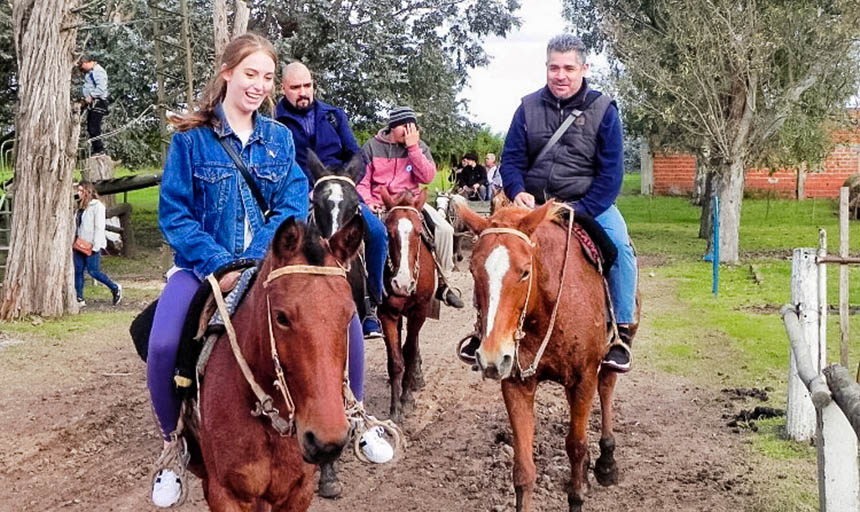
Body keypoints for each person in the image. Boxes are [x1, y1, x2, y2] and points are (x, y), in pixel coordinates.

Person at [146, 33, 310, 508]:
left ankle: (353, 420)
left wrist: (254, 261)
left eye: (265, 77)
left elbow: (292, 203)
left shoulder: (280, 139)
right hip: (201, 267)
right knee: (161, 345)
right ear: (227, 74)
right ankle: (173, 444)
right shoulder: (190, 141)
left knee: (342, 334)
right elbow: (175, 214)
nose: (258, 86)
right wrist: (220, 264)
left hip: (269, 266)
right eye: (249, 74)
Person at [462, 34, 638, 373]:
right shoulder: (527, 107)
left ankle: (620, 334)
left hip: (589, 203)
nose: (561, 75)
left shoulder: (604, 110)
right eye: (554, 67)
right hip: (534, 205)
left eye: (569, 68)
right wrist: (517, 188)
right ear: (546, 68)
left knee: (621, 248)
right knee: (491, 255)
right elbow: (512, 158)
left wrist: (581, 209)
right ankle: (482, 330)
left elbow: (611, 175)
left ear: (584, 68)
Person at [274, 62, 388, 340]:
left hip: (340, 188)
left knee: (378, 232)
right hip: (301, 190)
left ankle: (372, 303)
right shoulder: (274, 122)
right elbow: (279, 161)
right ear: (283, 88)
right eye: (296, 87)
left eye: (307, 85)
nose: (303, 92)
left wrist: (346, 181)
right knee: (287, 238)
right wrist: (307, 187)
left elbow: (356, 154)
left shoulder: (334, 116)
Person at [357, 106, 464, 309]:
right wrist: (369, 201)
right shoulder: (371, 147)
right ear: (393, 127)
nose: (410, 132)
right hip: (381, 205)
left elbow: (427, 177)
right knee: (365, 240)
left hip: (411, 203)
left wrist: (413, 149)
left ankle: (443, 283)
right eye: (405, 127)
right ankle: (366, 290)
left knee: (444, 230)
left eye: (412, 127)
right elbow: (362, 181)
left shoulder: (418, 146)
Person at [73, 181, 122, 307]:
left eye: (81, 190)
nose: (78, 193)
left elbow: (99, 227)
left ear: (87, 191)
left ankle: (115, 287)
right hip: (79, 243)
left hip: (92, 244)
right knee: (78, 271)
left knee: (93, 271)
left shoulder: (97, 206)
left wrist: (96, 245)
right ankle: (79, 297)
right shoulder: (79, 207)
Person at [79, 55, 109, 155]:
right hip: (92, 102)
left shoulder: (98, 71)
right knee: (90, 126)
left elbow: (101, 88)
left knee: (93, 126)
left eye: (82, 65)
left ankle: (99, 150)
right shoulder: (90, 72)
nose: (82, 68)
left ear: (87, 62)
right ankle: (96, 149)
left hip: (99, 101)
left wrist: (91, 95)